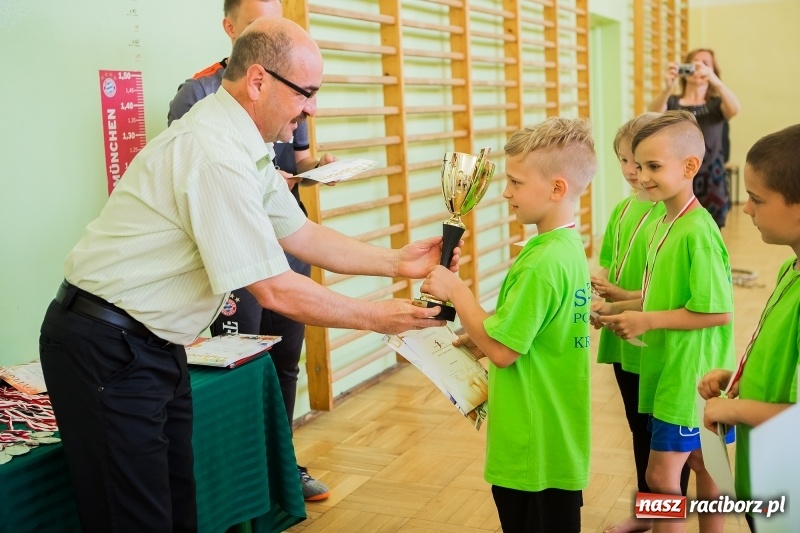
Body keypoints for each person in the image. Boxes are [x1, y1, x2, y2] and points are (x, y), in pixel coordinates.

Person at [39, 18, 458, 533]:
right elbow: (274, 287)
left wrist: (398, 263)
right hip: (105, 346)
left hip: (155, 346)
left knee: (176, 510)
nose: (312, 109)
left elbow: (300, 235)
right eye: (306, 93)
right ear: (259, 81)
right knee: (136, 518)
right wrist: (377, 317)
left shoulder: (243, 144)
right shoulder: (213, 151)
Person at [168, 0, 333, 501]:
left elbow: (301, 222)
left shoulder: (290, 90)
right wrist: (387, 315)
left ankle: (280, 464)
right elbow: (206, 186)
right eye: (262, 26)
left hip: (281, 236)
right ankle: (245, 472)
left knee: (284, 362)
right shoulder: (199, 104)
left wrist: (397, 262)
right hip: (236, 257)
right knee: (240, 368)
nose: (309, 109)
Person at [421, 117, 596, 533]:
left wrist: (457, 291)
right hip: (556, 439)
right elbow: (526, 334)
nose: (505, 192)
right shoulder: (566, 248)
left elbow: (504, 351)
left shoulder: (542, 262)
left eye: (516, 182)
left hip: (530, 446)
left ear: (557, 189)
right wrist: (478, 339)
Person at [594, 110, 735, 533]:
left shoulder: (698, 230)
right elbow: (662, 295)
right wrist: (617, 311)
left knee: (659, 479)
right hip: (673, 369)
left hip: (688, 375)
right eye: (637, 165)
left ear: (690, 166)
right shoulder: (664, 222)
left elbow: (717, 310)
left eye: (653, 166)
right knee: (706, 469)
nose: (642, 176)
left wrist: (648, 321)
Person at [699, 123, 800, 533]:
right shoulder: (789, 269)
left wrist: (736, 409)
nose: (745, 208)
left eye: (757, 199)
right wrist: (741, 380)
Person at [592, 113, 688, 533]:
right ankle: (649, 513)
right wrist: (602, 298)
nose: (634, 172)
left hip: (659, 340)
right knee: (638, 427)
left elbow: (675, 295)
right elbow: (611, 268)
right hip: (624, 339)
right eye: (625, 161)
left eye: (644, 162)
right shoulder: (623, 210)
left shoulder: (673, 217)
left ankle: (665, 513)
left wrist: (622, 302)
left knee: (662, 440)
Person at [649, 48, 740, 228]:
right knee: (676, 230)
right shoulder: (673, 102)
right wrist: (668, 87)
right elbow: (652, 115)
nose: (698, 68)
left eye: (705, 64)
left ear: (713, 70)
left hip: (712, 182)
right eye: (693, 63)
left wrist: (714, 80)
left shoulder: (716, 105)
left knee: (710, 234)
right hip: (677, 179)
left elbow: (734, 109)